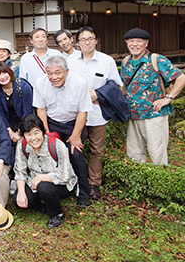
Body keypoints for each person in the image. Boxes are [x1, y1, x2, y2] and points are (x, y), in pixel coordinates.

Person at [67, 27, 122, 200]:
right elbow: (63, 83)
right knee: (75, 149)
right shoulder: (70, 60)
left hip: (98, 113)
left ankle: (93, 185)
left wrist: (97, 94)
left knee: (96, 150)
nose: (87, 42)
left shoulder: (107, 61)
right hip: (75, 115)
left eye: (90, 38)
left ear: (96, 40)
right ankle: (75, 181)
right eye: (83, 39)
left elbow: (114, 85)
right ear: (78, 43)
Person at [33, 55, 93, 207]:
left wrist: (75, 135)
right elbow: (41, 109)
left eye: (58, 72)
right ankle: (56, 189)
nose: (54, 77)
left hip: (73, 123)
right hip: (51, 122)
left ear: (66, 71)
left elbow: (83, 112)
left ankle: (83, 193)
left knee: (75, 154)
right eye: (50, 73)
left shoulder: (80, 83)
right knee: (50, 155)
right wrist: (46, 132)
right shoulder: (40, 83)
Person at [121, 28, 185, 166]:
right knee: (134, 155)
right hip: (133, 115)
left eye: (139, 41)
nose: (134, 44)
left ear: (146, 43)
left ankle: (160, 185)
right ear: (127, 44)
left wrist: (168, 98)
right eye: (131, 41)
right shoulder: (125, 61)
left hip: (154, 114)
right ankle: (140, 184)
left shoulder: (156, 59)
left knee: (157, 154)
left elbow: (181, 77)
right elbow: (125, 86)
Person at [13, 115, 77, 228]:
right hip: (34, 182)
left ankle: (57, 213)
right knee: (17, 200)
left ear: (43, 131)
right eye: (28, 134)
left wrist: (41, 177)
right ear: (24, 136)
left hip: (61, 183)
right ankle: (42, 206)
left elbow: (64, 176)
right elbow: (20, 171)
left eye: (36, 132)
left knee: (44, 187)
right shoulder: (22, 145)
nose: (33, 138)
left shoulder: (57, 145)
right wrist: (21, 193)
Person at [0, 62, 33, 144]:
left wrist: (20, 132)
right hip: (8, 124)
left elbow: (27, 111)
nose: (2, 77)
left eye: (4, 73)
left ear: (9, 72)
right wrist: (11, 133)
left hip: (26, 121)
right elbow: (1, 113)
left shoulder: (23, 86)